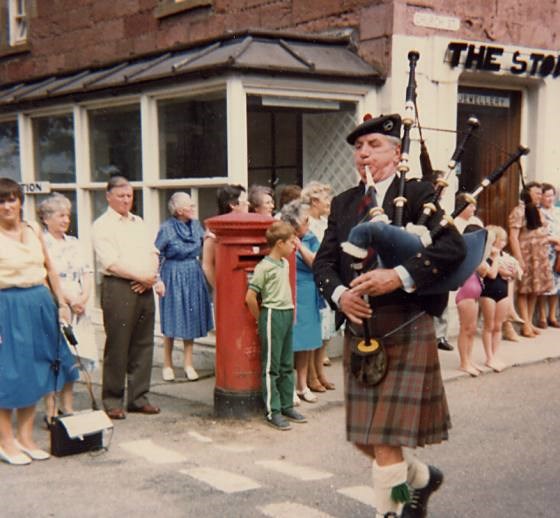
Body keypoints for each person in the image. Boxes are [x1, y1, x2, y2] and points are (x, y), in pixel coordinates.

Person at [313, 114, 466, 518]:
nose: (363, 153)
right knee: (365, 436)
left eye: (374, 145)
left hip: (404, 321)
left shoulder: (417, 193)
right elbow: (324, 263)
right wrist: (341, 295)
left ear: (397, 152)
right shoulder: (345, 202)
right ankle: (419, 479)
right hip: (361, 327)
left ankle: (389, 513)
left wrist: (397, 277)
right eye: (358, 148)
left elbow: (453, 249)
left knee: (382, 437)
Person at [0, 178, 78, 465]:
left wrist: (61, 304)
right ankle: (6, 442)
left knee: (38, 371)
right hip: (6, 307)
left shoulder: (33, 229)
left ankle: (26, 438)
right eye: (1, 201)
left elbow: (50, 270)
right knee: (9, 375)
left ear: (20, 200)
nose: (7, 206)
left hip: (40, 303)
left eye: (11, 199)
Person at [92, 175, 164, 420]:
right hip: (119, 288)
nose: (126, 200)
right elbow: (110, 262)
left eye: (129, 196)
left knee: (143, 344)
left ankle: (138, 398)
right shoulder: (102, 226)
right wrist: (142, 277)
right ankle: (112, 400)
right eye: (121, 196)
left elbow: (153, 251)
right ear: (108, 196)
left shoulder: (139, 222)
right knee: (119, 345)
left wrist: (150, 276)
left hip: (144, 286)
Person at [38, 193, 97, 426]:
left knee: (74, 356)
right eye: (60, 215)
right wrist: (68, 300)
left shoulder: (74, 242)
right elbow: (45, 276)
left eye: (68, 215)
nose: (65, 220)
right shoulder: (42, 244)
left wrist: (83, 297)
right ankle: (50, 411)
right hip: (56, 301)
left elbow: (87, 272)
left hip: (79, 305)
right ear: (46, 218)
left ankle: (68, 406)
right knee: (54, 357)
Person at [245, 221, 307, 430]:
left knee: (286, 364)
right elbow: (250, 297)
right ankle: (273, 410)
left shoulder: (285, 263)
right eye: (291, 242)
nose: (294, 246)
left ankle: (287, 405)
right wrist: (260, 318)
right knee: (271, 366)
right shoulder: (264, 267)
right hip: (272, 315)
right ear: (279, 243)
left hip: (287, 313)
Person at [155, 192, 213, 382]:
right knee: (172, 318)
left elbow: (205, 243)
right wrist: (157, 279)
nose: (194, 209)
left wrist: (210, 237)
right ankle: (167, 364)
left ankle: (188, 364)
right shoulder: (166, 229)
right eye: (190, 206)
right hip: (172, 273)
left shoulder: (196, 226)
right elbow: (156, 254)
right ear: (179, 210)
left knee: (192, 318)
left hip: (193, 272)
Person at [281, 199, 323, 404]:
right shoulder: (282, 238)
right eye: (305, 220)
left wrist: (300, 246)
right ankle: (288, 388)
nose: (308, 223)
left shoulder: (311, 238)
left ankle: (302, 385)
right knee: (291, 341)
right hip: (289, 290)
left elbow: (317, 262)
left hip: (308, 290)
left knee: (306, 343)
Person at [301, 181, 336, 388]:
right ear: (314, 201)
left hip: (328, 275)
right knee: (316, 327)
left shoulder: (325, 222)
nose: (329, 203)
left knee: (327, 329)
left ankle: (320, 372)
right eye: (326, 199)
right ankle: (311, 375)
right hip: (312, 277)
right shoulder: (306, 223)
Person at [508, 182, 553, 337]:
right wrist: (519, 258)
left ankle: (529, 323)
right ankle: (525, 324)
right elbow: (513, 237)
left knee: (535, 289)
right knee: (524, 290)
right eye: (537, 193)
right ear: (527, 194)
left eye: (541, 194)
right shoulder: (519, 211)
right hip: (527, 255)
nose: (539, 196)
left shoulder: (537, 211)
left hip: (539, 256)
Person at [479, 225, 514, 373]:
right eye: (501, 240)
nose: (503, 243)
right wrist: (497, 260)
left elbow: (510, 273)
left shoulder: (503, 255)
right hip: (489, 292)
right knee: (489, 326)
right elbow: (492, 274)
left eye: (505, 240)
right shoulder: (485, 255)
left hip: (503, 292)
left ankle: (494, 355)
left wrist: (505, 268)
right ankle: (488, 357)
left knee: (498, 326)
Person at [202, 184, 249, 289]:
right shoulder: (214, 230)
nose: (248, 204)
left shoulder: (247, 225)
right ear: (233, 204)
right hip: (226, 286)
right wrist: (220, 289)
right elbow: (207, 265)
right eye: (244, 201)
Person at [537, 183, 560, 328]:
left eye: (552, 195)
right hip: (545, 251)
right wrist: (555, 240)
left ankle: (552, 316)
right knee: (544, 284)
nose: (550, 198)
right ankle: (542, 316)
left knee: (557, 285)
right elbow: (539, 234)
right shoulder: (539, 212)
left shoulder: (558, 211)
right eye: (547, 195)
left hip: (558, 252)